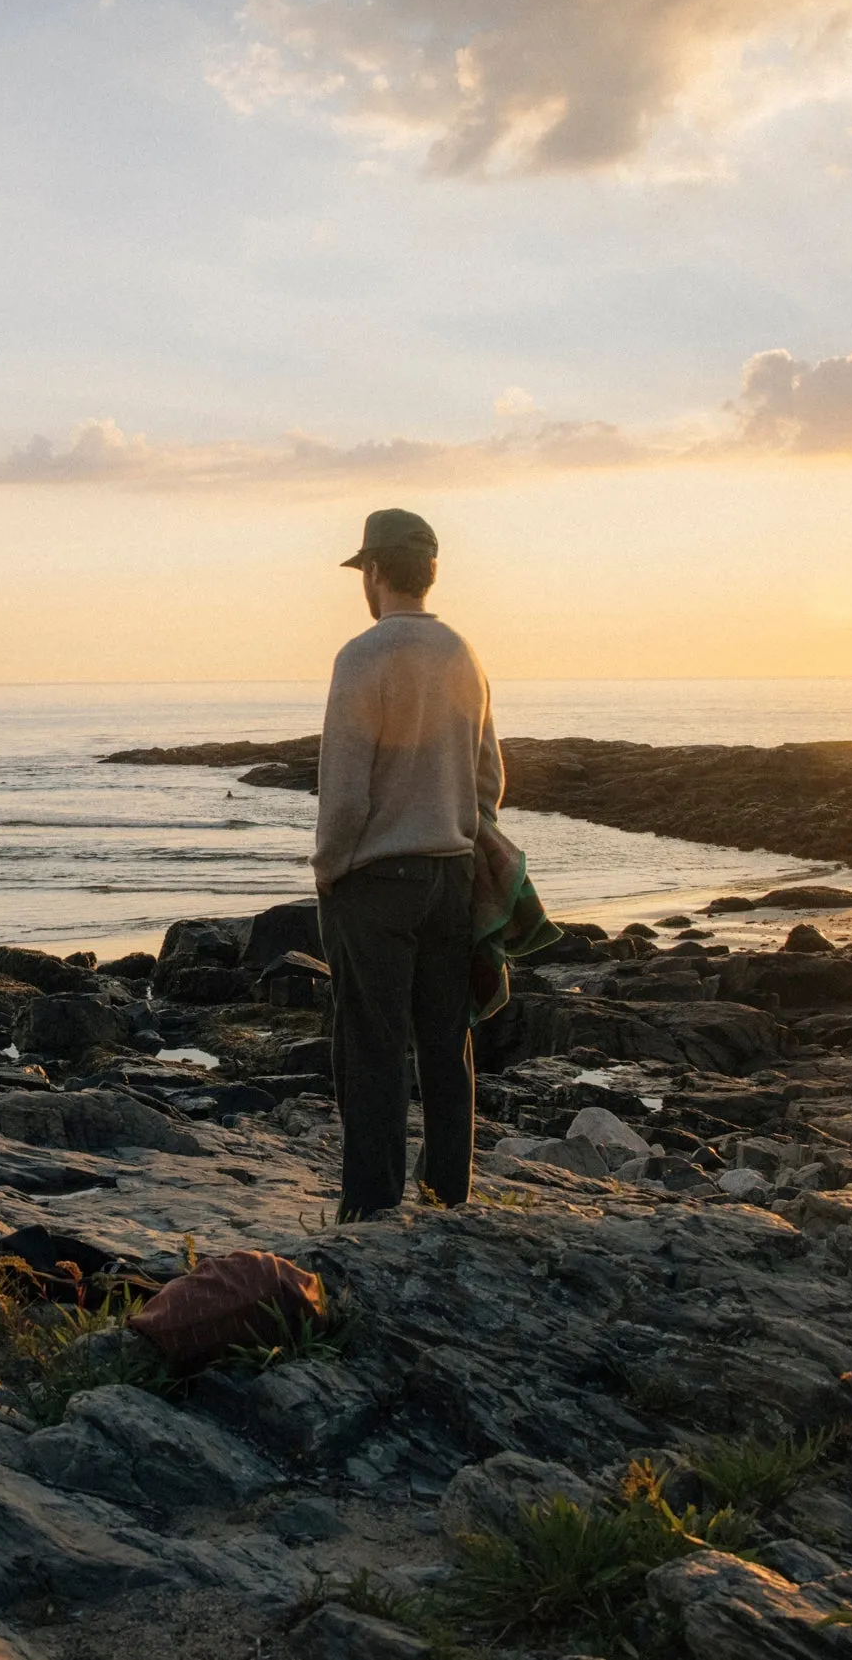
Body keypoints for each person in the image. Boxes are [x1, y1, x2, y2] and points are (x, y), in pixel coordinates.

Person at [312, 508, 502, 1219]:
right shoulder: (463, 654)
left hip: (377, 882)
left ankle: (372, 1211)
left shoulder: (362, 657)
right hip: (452, 872)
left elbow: (345, 793)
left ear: (374, 572)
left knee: (372, 1050)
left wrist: (328, 869)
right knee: (446, 1046)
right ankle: (447, 1196)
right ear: (428, 572)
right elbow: (490, 781)